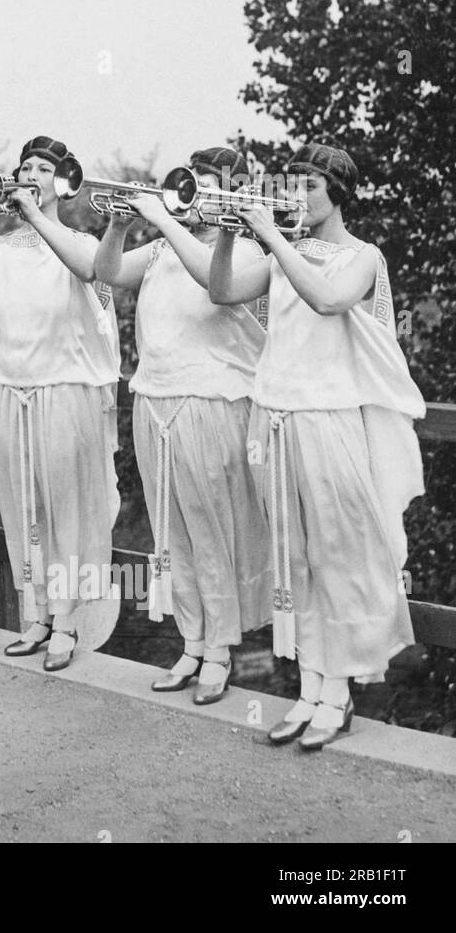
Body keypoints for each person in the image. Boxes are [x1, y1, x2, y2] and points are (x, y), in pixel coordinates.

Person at [209, 140, 424, 750]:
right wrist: (230, 231)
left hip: (328, 423)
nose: (293, 196)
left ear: (338, 195)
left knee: (337, 558)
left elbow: (328, 301)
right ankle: (309, 688)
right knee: (293, 557)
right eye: (290, 184)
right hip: (272, 418)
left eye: (306, 186)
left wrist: (271, 238)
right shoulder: (286, 253)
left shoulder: (362, 256)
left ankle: (339, 693)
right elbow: (223, 291)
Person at [94, 146, 270, 703]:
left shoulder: (242, 250)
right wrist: (121, 227)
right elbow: (105, 272)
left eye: (206, 184)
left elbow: (212, 283)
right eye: (191, 181)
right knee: (174, 536)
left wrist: (164, 219)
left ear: (231, 194)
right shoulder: (164, 251)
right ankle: (192, 643)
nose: (191, 191)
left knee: (213, 530)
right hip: (155, 402)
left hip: (211, 404)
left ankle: (220, 648)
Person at [0, 135, 120, 671]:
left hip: (62, 395)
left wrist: (35, 214)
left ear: (60, 182)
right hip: (8, 393)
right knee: (24, 514)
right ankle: (38, 617)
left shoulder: (79, 240)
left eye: (42, 168)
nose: (29, 174)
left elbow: (89, 270)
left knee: (64, 512)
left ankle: (68, 623)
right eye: (24, 167)